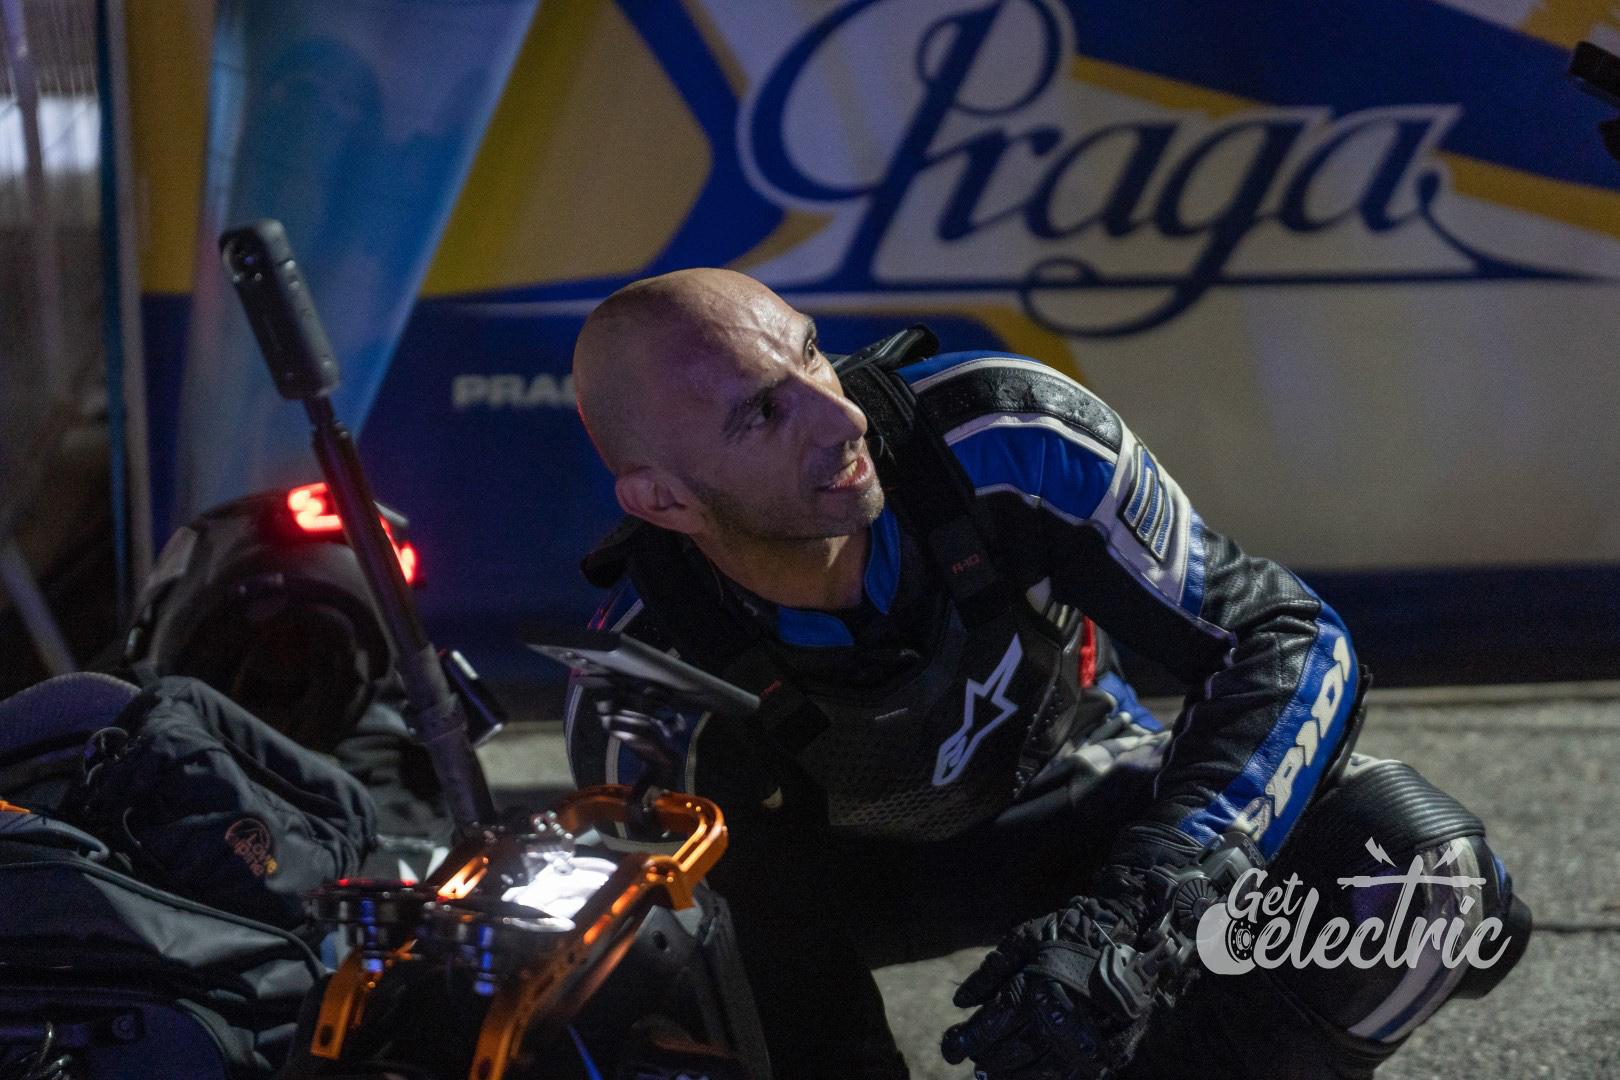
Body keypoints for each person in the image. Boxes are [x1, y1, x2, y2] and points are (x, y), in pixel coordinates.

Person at [563, 268, 1531, 1079]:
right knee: (629, 984)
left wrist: (1137, 914)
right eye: (764, 413)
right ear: (664, 500)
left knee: (1422, 879)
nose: (840, 414)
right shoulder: (641, 682)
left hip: (1079, 797)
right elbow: (693, 960)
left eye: (812, 353)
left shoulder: (1006, 434)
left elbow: (1287, 636)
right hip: (828, 901)